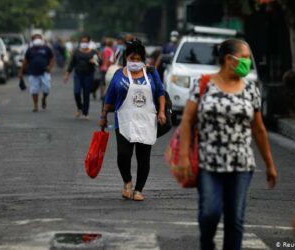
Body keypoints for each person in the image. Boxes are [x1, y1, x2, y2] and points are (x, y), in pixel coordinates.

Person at [178, 39, 277, 250]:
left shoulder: (251, 90)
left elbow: (258, 129)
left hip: (241, 165)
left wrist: (269, 164)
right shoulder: (203, 85)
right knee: (209, 213)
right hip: (209, 163)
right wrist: (184, 157)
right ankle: (207, 244)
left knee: (235, 220)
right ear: (229, 60)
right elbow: (187, 121)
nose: (248, 62)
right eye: (245, 58)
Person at [99, 39, 166, 201]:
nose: (134, 62)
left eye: (137, 59)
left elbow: (160, 93)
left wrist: (162, 112)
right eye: (131, 59)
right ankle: (127, 182)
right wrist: (103, 115)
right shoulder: (118, 74)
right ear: (126, 59)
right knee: (123, 154)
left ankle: (138, 189)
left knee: (143, 157)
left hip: (146, 120)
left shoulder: (151, 73)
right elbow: (109, 97)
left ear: (142, 59)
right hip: (123, 121)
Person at [64, 35, 98, 119]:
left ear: (88, 42)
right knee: (77, 92)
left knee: (86, 94)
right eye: (82, 41)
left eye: (86, 41)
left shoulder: (93, 52)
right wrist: (67, 74)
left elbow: (98, 61)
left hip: (89, 75)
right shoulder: (76, 52)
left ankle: (85, 113)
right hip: (78, 75)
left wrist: (94, 61)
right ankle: (80, 107)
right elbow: (72, 63)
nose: (84, 43)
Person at [19, 33, 54, 112]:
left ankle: (44, 98)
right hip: (33, 72)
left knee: (47, 88)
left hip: (45, 72)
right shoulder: (30, 49)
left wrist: (50, 67)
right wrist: (21, 71)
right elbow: (25, 61)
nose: (37, 40)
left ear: (41, 40)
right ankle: (35, 106)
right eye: (35, 38)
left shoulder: (46, 48)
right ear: (32, 40)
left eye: (39, 38)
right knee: (34, 90)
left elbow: (52, 58)